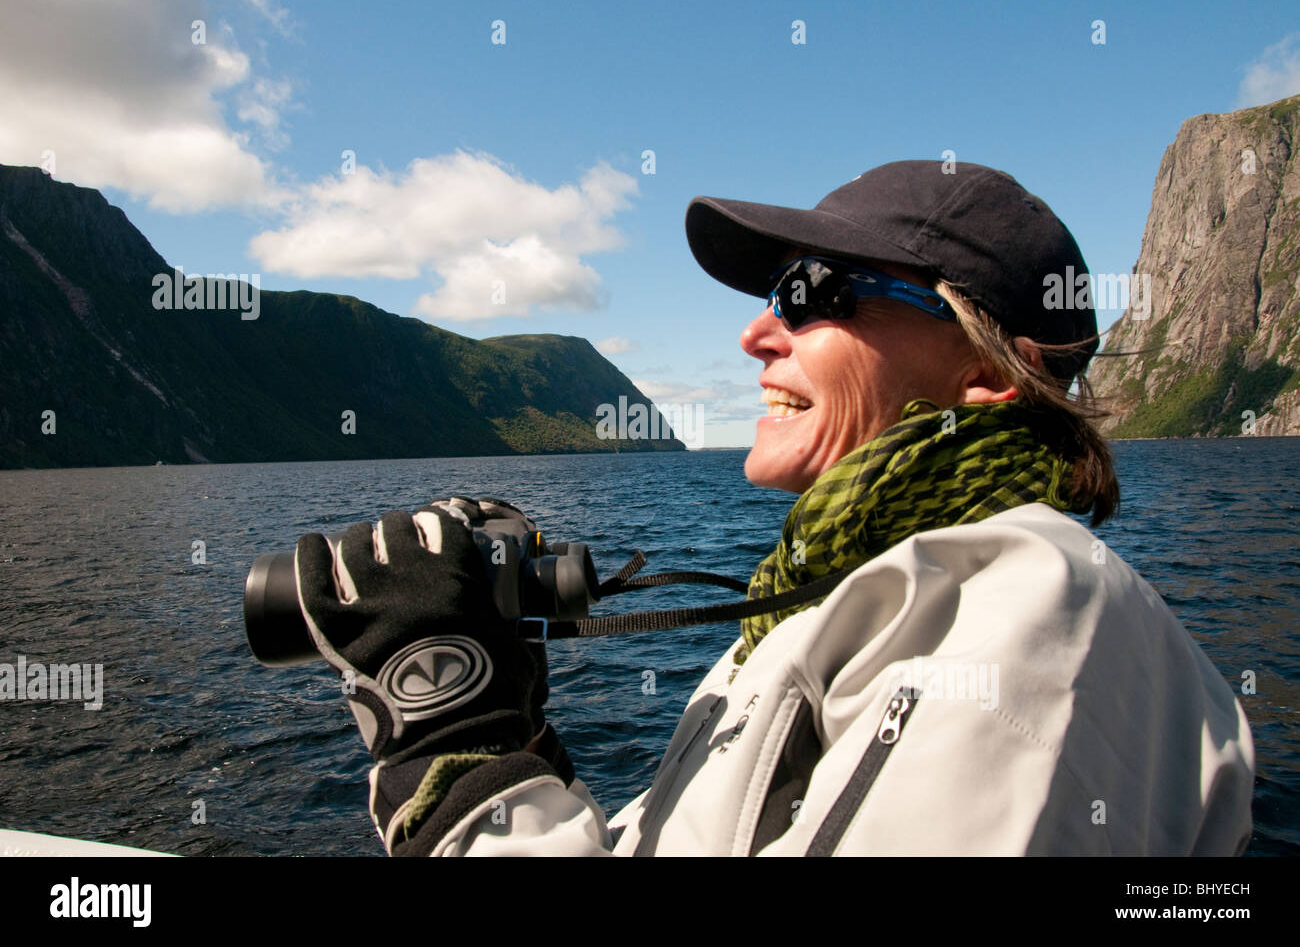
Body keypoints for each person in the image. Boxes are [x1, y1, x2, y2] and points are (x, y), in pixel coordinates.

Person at [293, 160, 1255, 856]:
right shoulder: (844, 591)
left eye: (810, 292)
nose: (757, 331)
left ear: (983, 369)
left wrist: (459, 763)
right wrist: (520, 739)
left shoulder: (1034, 618)